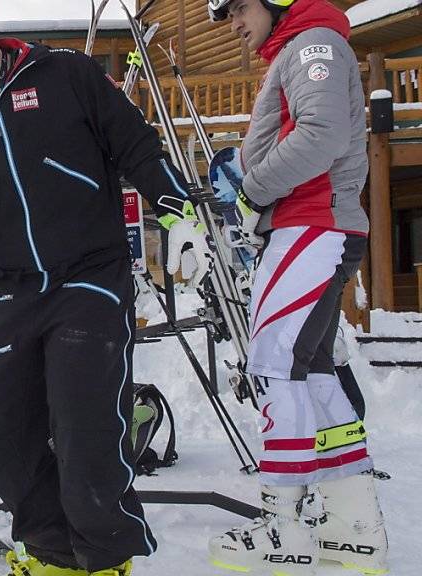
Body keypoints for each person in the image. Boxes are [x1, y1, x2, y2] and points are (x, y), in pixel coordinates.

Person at [0, 1, 214, 574]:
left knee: (84, 429)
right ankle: (53, 555)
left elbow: (135, 143)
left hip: (89, 276)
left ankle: (103, 558)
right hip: (12, 287)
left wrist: (177, 213)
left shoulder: (66, 74)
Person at [206, 0, 388, 573]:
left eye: (236, 8)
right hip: (312, 225)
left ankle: (283, 528)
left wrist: (253, 189)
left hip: (311, 225)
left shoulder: (313, 45)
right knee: (309, 371)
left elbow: (321, 134)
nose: (232, 23)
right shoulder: (300, 49)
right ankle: (351, 525)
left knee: (272, 365)